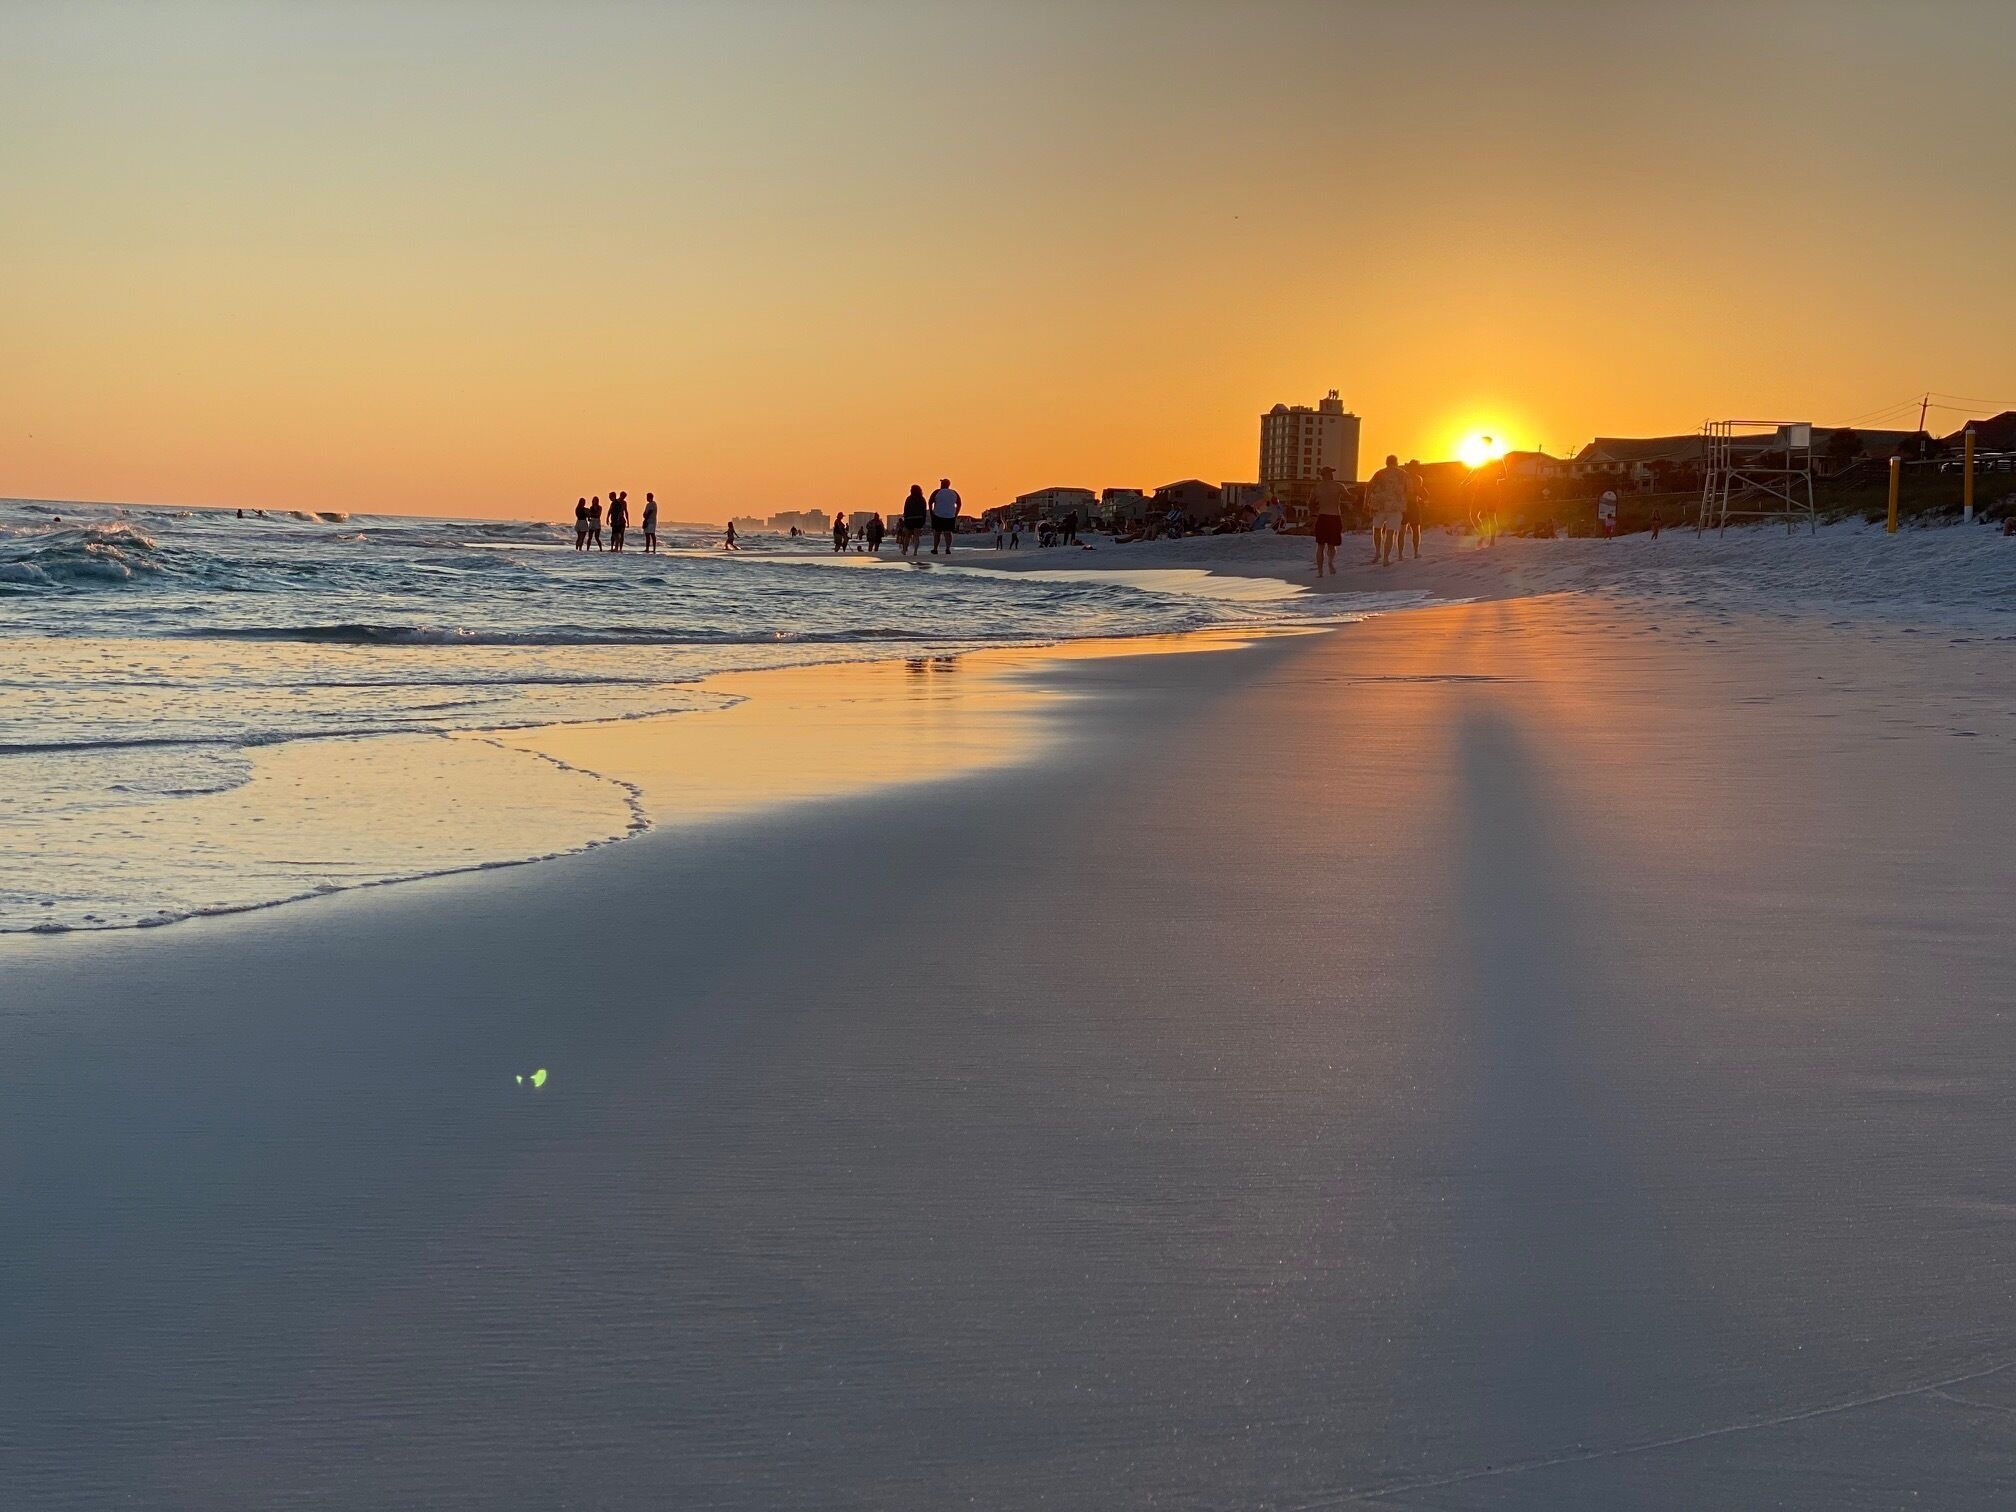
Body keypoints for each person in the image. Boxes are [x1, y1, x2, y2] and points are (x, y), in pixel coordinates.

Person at [1366, 454, 1409, 566]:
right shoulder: (1403, 474)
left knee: (1377, 530)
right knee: (1390, 533)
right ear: (1396, 462)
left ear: (1386, 462)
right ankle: (1386, 558)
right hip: (1395, 507)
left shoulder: (1379, 473)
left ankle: (1377, 553)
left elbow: (1369, 486)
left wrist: (1366, 502)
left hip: (1379, 505)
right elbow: (1409, 490)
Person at [1308, 465, 1346, 576]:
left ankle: (1320, 572)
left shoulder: (1317, 487)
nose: (1332, 474)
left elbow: (1310, 503)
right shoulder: (1339, 486)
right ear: (1329, 474)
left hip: (1322, 517)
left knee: (1320, 545)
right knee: (1332, 545)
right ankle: (1330, 562)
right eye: (1331, 473)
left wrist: (1313, 514)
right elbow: (1350, 497)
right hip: (1334, 517)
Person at [928, 478, 960, 554]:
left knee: (937, 533)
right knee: (948, 533)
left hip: (938, 515)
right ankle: (948, 548)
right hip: (950, 515)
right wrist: (956, 513)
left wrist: (931, 511)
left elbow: (930, 502)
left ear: (942, 484)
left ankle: (935, 549)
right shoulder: (954, 492)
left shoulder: (937, 492)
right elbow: (959, 503)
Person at [1401, 461, 1426, 559]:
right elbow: (1419, 492)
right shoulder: (1417, 478)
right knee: (1415, 529)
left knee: (1402, 530)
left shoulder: (1402, 478)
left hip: (1403, 505)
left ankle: (1400, 554)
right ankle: (1416, 552)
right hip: (1413, 505)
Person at [900, 485, 928, 557]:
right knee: (916, 536)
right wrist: (923, 520)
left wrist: (905, 519)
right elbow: (924, 510)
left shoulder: (909, 498)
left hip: (909, 519)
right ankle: (915, 551)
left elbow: (905, 509)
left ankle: (904, 550)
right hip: (919, 519)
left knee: (907, 536)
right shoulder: (922, 499)